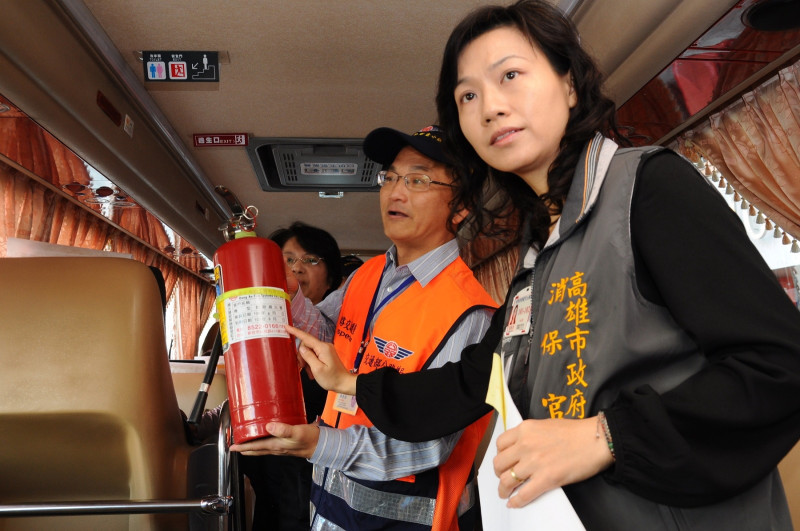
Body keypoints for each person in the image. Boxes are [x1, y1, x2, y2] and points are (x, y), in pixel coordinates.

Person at [284, 2, 800, 530]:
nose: (490, 107)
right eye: (468, 95)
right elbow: (473, 382)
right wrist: (349, 381)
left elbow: (779, 367)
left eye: (510, 75)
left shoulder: (646, 188)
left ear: (570, 84)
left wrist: (606, 436)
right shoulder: (539, 255)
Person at [231, 124, 498, 531]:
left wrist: (321, 445)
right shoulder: (368, 275)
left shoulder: (471, 313)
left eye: (418, 179)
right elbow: (329, 338)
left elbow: (429, 446)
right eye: (389, 177)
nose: (395, 191)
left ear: (460, 208)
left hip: (398, 518)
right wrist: (291, 297)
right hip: (326, 503)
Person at [245, 221, 343, 531]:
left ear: (331, 274)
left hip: (316, 462)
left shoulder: (344, 322)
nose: (296, 269)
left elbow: (323, 333)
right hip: (266, 463)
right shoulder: (254, 329)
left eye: (310, 259)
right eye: (287, 260)